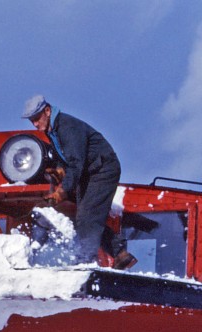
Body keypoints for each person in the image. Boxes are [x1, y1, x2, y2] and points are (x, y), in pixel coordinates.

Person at [22, 95, 134, 268]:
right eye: (32, 121)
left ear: (47, 111)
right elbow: (65, 158)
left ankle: (85, 261)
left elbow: (76, 164)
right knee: (88, 215)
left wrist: (62, 191)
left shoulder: (68, 127)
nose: (35, 124)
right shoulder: (53, 131)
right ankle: (120, 253)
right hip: (88, 173)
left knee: (86, 216)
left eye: (37, 118)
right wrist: (58, 170)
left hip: (102, 169)